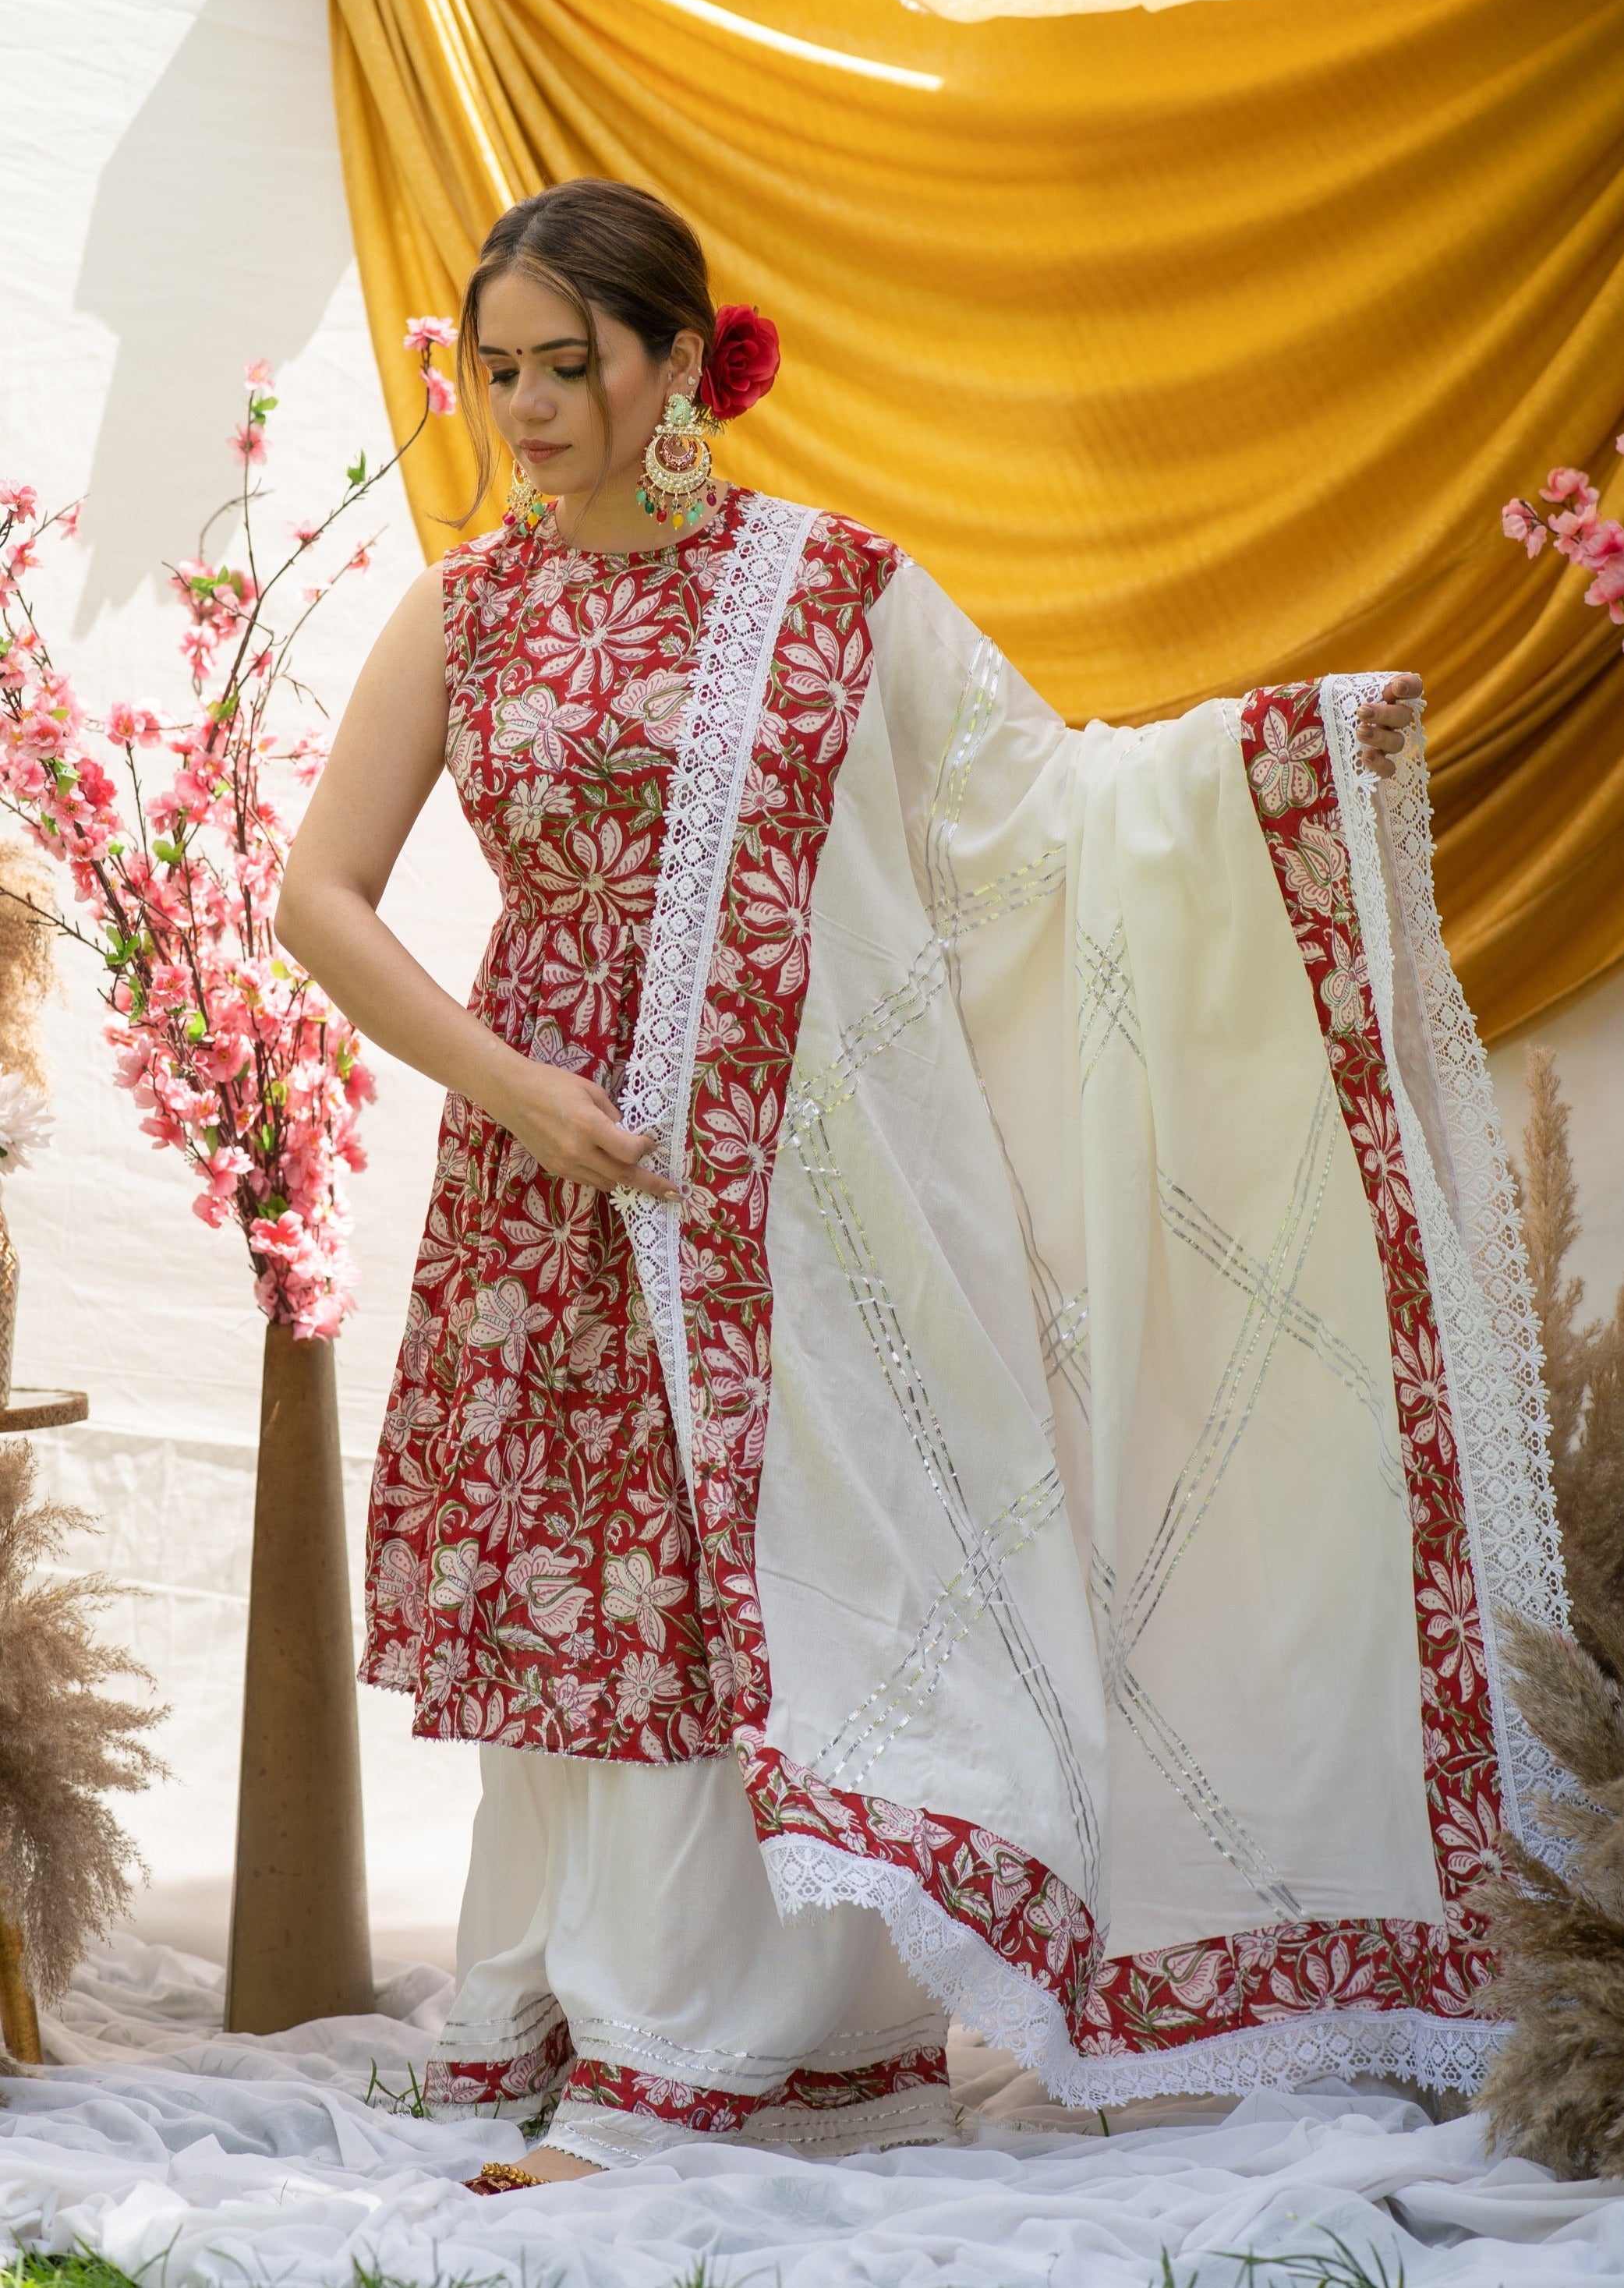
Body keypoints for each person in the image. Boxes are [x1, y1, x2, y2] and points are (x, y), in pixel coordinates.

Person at [276, 179, 1565, 2177]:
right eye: (499, 370)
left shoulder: (829, 594)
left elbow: (1041, 821)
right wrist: (515, 1085)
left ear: (677, 363)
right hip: (544, 1177)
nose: (524, 409)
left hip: (780, 1204)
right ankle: (560, 2002)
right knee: (587, 1598)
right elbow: (319, 899)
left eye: (566, 365)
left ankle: (704, 2049)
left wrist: (1273, 763)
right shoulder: (463, 610)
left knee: (748, 1592)